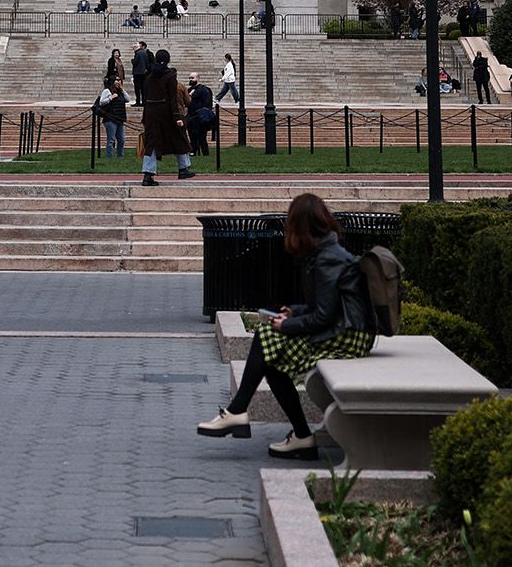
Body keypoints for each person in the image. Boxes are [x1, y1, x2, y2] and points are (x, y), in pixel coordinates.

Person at [197, 192, 375, 459]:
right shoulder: (326, 251)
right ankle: (298, 435)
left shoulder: (327, 258)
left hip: (348, 334)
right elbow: (328, 307)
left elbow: (324, 318)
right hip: (347, 327)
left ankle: (239, 412)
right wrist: (294, 313)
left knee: (268, 338)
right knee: (271, 356)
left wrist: (287, 326)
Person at [138, 48, 193, 187]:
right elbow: (172, 99)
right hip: (166, 112)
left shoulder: (149, 77)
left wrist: (145, 117)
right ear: (168, 60)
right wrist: (177, 116)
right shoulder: (170, 76)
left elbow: (146, 97)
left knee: (151, 143)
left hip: (151, 112)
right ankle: (183, 168)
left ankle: (148, 174)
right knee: (179, 138)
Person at [185, 74, 217, 157]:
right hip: (191, 116)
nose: (191, 79)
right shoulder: (189, 90)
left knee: (202, 137)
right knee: (191, 135)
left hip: (200, 117)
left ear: (198, 78)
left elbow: (207, 104)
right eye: (190, 78)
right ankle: (193, 151)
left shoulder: (203, 89)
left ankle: (205, 152)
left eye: (193, 78)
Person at [96, 83, 128, 157]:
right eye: (116, 80)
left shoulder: (120, 92)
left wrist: (123, 90)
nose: (118, 82)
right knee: (111, 139)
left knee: (121, 140)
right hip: (110, 118)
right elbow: (101, 102)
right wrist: (111, 97)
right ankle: (109, 156)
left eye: (119, 80)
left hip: (119, 118)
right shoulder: (107, 91)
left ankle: (120, 156)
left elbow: (127, 99)